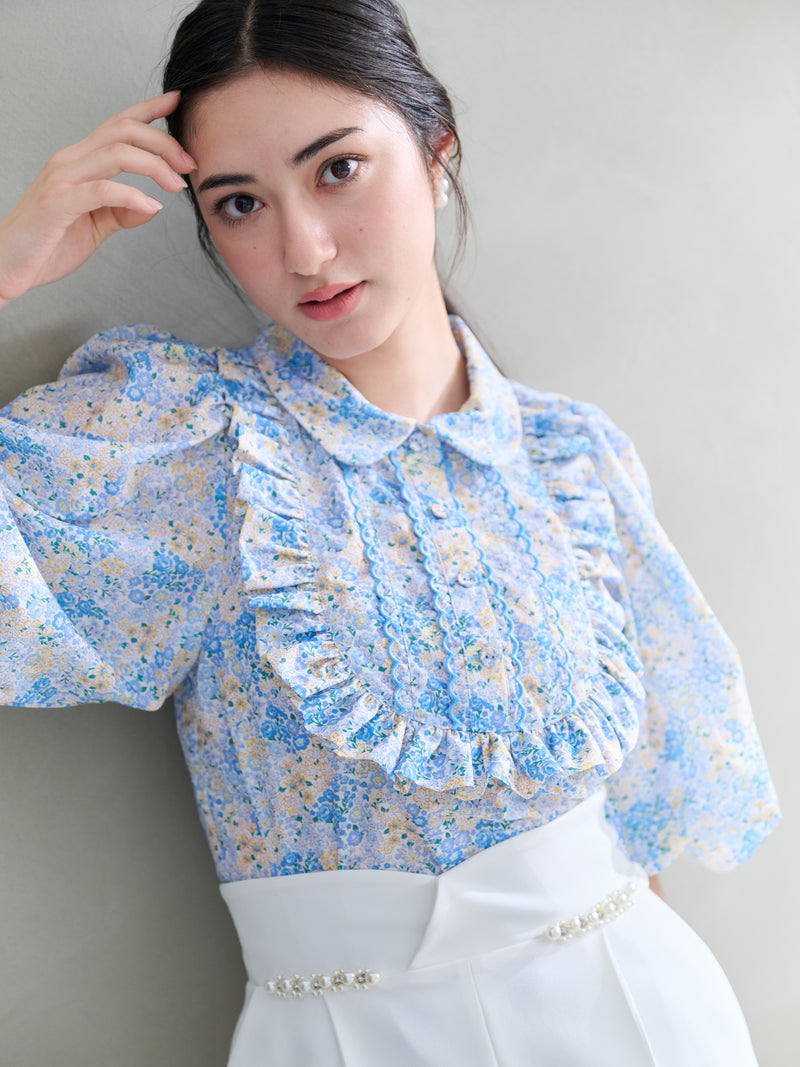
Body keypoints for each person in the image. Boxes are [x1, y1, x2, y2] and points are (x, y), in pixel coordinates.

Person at [0, 0, 780, 1063]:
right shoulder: (186, 443)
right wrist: (5, 267)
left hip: (641, 1011)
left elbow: (639, 840)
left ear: (435, 154)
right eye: (240, 203)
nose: (306, 248)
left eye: (338, 170)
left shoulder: (572, 456)